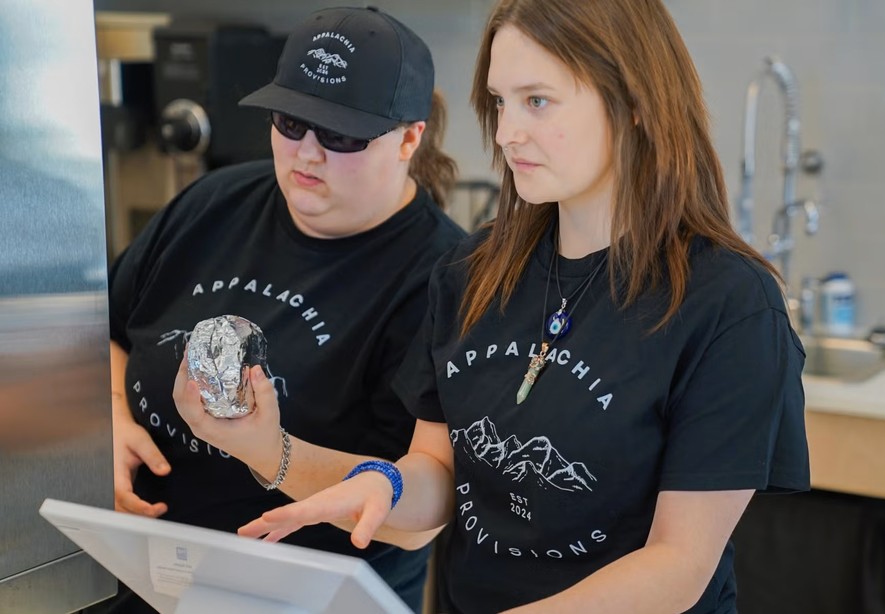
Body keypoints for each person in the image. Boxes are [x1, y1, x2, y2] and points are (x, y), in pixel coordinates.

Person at [177, 0, 810, 611]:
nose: (506, 135)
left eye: (537, 101)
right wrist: (383, 483)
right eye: (500, 103)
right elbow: (436, 474)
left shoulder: (729, 305)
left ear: (637, 102)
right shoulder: (472, 271)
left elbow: (678, 568)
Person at [106, 6, 465, 612]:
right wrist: (111, 419)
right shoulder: (212, 203)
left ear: (409, 137)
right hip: (137, 577)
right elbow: (113, 337)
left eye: (342, 135)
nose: (307, 155)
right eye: (290, 122)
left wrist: (270, 452)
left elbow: (417, 519)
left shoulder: (445, 280)